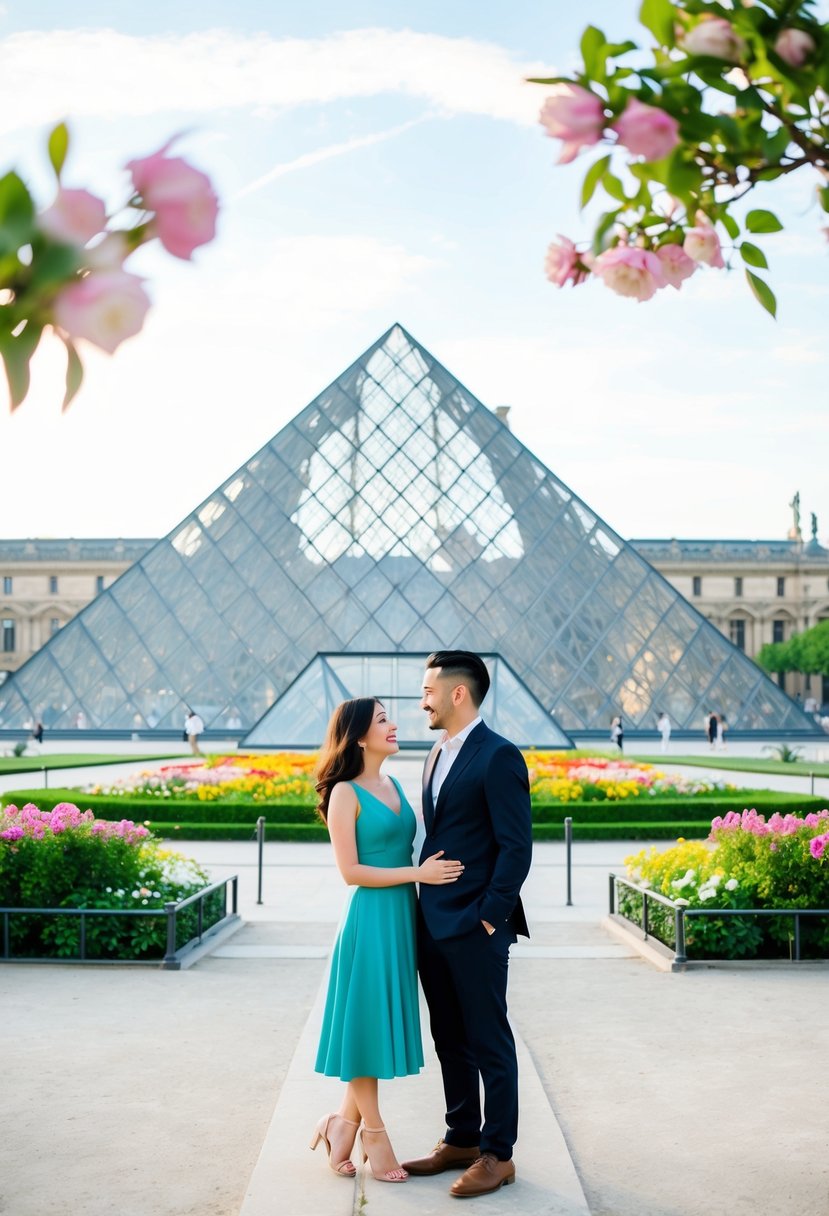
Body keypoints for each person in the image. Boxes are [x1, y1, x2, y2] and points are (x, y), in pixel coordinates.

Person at [312, 697, 463, 1185]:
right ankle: (373, 1133)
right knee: (365, 1027)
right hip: (371, 920)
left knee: (373, 1023)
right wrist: (418, 873)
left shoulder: (394, 783)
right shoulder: (344, 793)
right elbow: (350, 871)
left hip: (402, 919)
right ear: (358, 736)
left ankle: (341, 1125)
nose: (394, 725)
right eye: (382, 720)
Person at [402, 651, 532, 1199]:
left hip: (475, 924)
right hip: (433, 922)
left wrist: (489, 917)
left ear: (458, 693)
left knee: (488, 1040)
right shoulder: (436, 753)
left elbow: (516, 846)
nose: (421, 700)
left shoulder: (499, 756)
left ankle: (498, 1154)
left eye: (428, 690)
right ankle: (461, 1136)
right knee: (449, 1037)